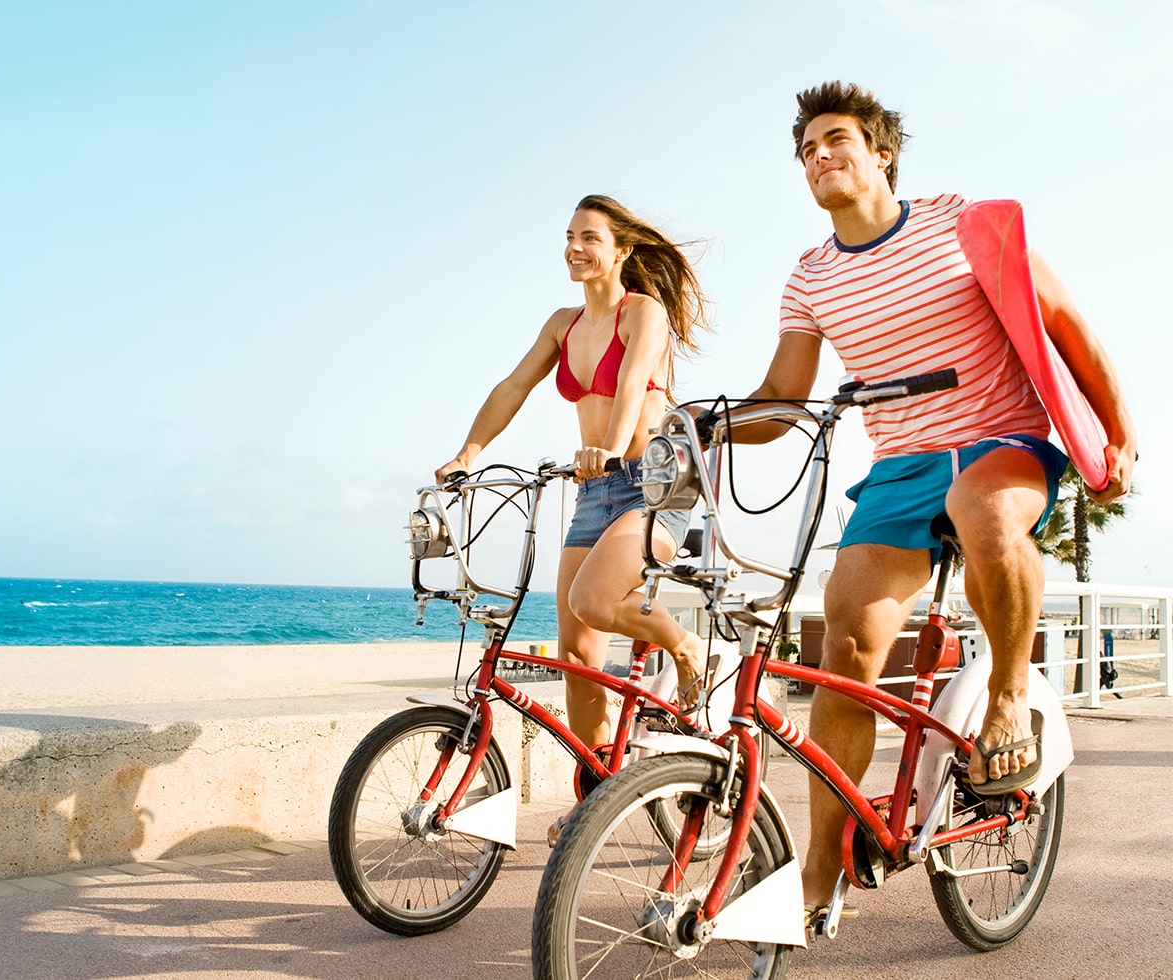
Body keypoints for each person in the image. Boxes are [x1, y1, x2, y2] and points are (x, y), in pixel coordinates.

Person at [736, 81, 1136, 915]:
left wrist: (1117, 433)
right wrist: (702, 427)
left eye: (837, 140)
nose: (821, 158)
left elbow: (1065, 323)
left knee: (985, 515)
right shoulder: (810, 277)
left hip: (1000, 438)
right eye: (807, 150)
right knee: (843, 647)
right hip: (900, 463)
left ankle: (1007, 703)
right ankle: (822, 869)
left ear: (881, 153)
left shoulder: (959, 222)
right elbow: (782, 398)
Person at [435, 194, 712, 845]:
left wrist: (612, 446)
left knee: (594, 600)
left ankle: (684, 643)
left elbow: (634, 381)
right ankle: (594, 797)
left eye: (589, 237)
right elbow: (512, 387)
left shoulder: (641, 312)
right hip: (594, 488)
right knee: (577, 655)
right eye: (568, 236)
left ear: (620, 251)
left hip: (657, 480)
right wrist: (468, 452)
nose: (574, 247)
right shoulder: (563, 323)